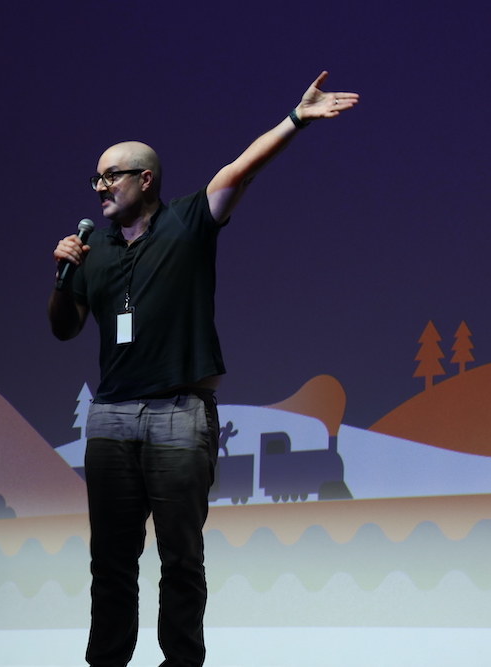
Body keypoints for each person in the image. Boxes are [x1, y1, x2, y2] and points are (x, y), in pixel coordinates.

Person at [48, 71, 358, 667]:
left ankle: (182, 662)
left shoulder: (187, 221)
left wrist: (296, 119)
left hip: (179, 412)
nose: (100, 188)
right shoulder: (92, 250)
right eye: (96, 179)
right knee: (110, 560)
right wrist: (61, 275)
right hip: (111, 418)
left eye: (111, 176)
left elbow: (240, 170)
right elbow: (64, 327)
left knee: (180, 558)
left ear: (146, 179)